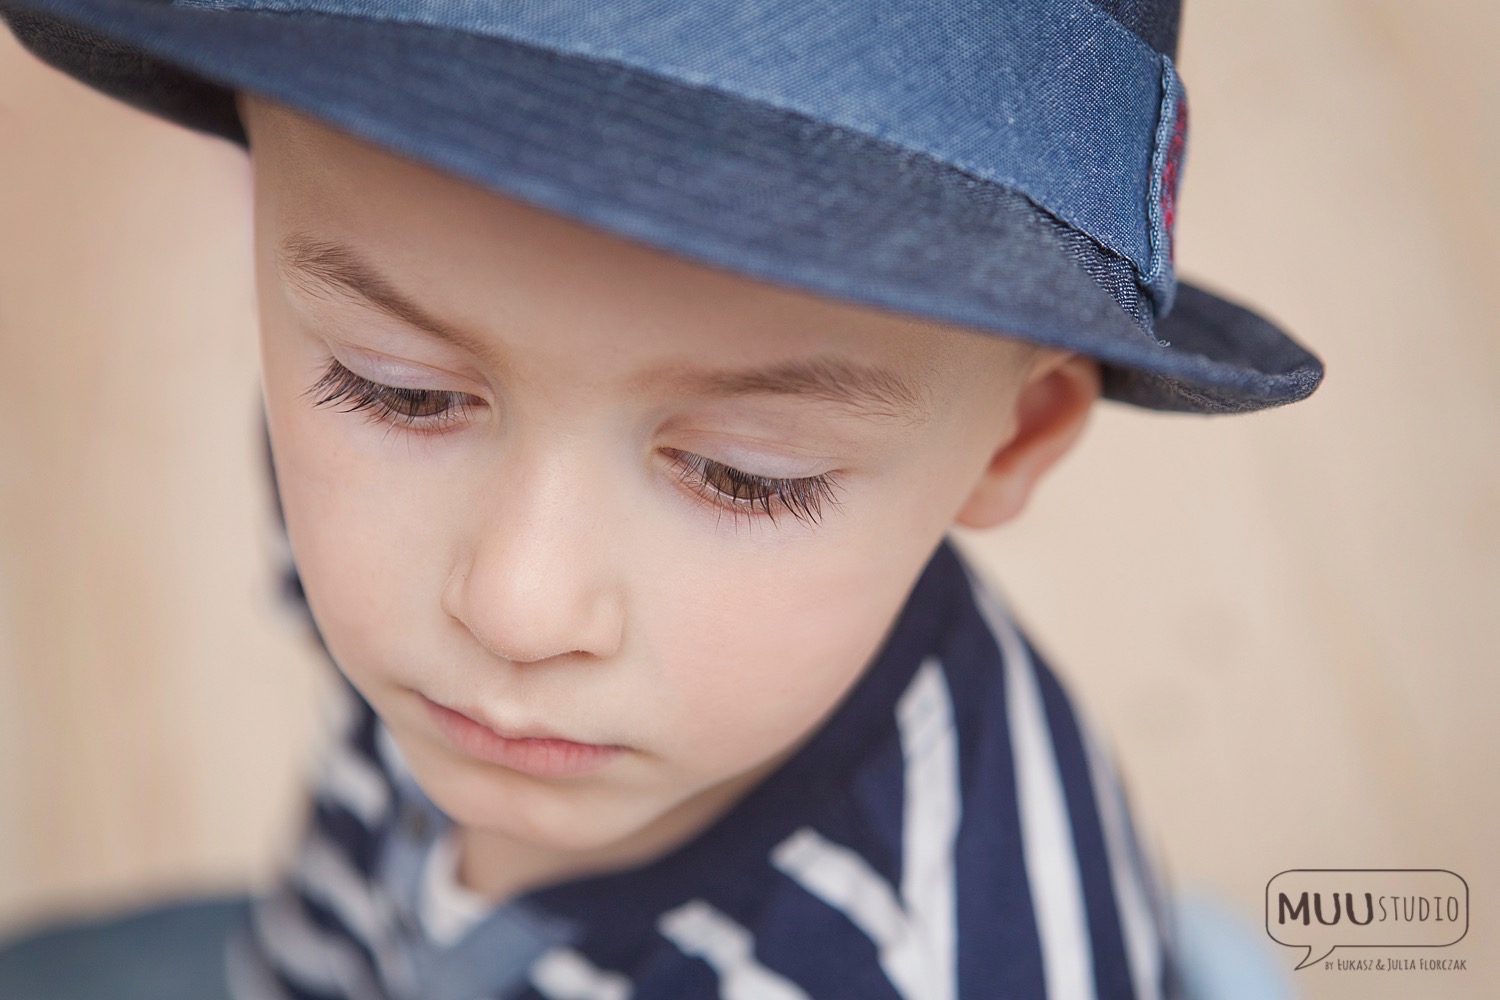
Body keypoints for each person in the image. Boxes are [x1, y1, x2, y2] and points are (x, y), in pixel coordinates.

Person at [0, 1, 1323, 998]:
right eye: (400, 393)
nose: (516, 604)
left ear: (1009, 438)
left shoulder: (937, 957)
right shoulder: (350, 486)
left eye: (747, 474)